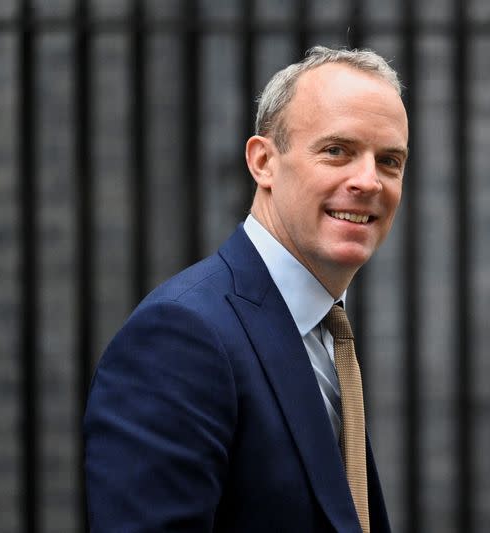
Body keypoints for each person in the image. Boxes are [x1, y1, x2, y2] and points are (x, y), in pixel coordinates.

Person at [83, 45, 409, 532]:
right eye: (336, 150)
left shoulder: (322, 333)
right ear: (263, 162)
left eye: (389, 161)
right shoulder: (181, 337)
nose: (368, 181)